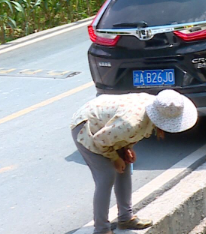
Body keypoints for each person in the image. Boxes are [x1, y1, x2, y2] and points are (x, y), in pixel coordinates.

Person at [71, 90, 198, 234]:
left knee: (125, 165)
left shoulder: (157, 106)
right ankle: (101, 229)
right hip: (87, 127)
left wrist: (126, 149)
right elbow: (101, 140)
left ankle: (125, 218)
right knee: (106, 176)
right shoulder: (132, 123)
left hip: (108, 127)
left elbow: (123, 133)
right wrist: (115, 158)